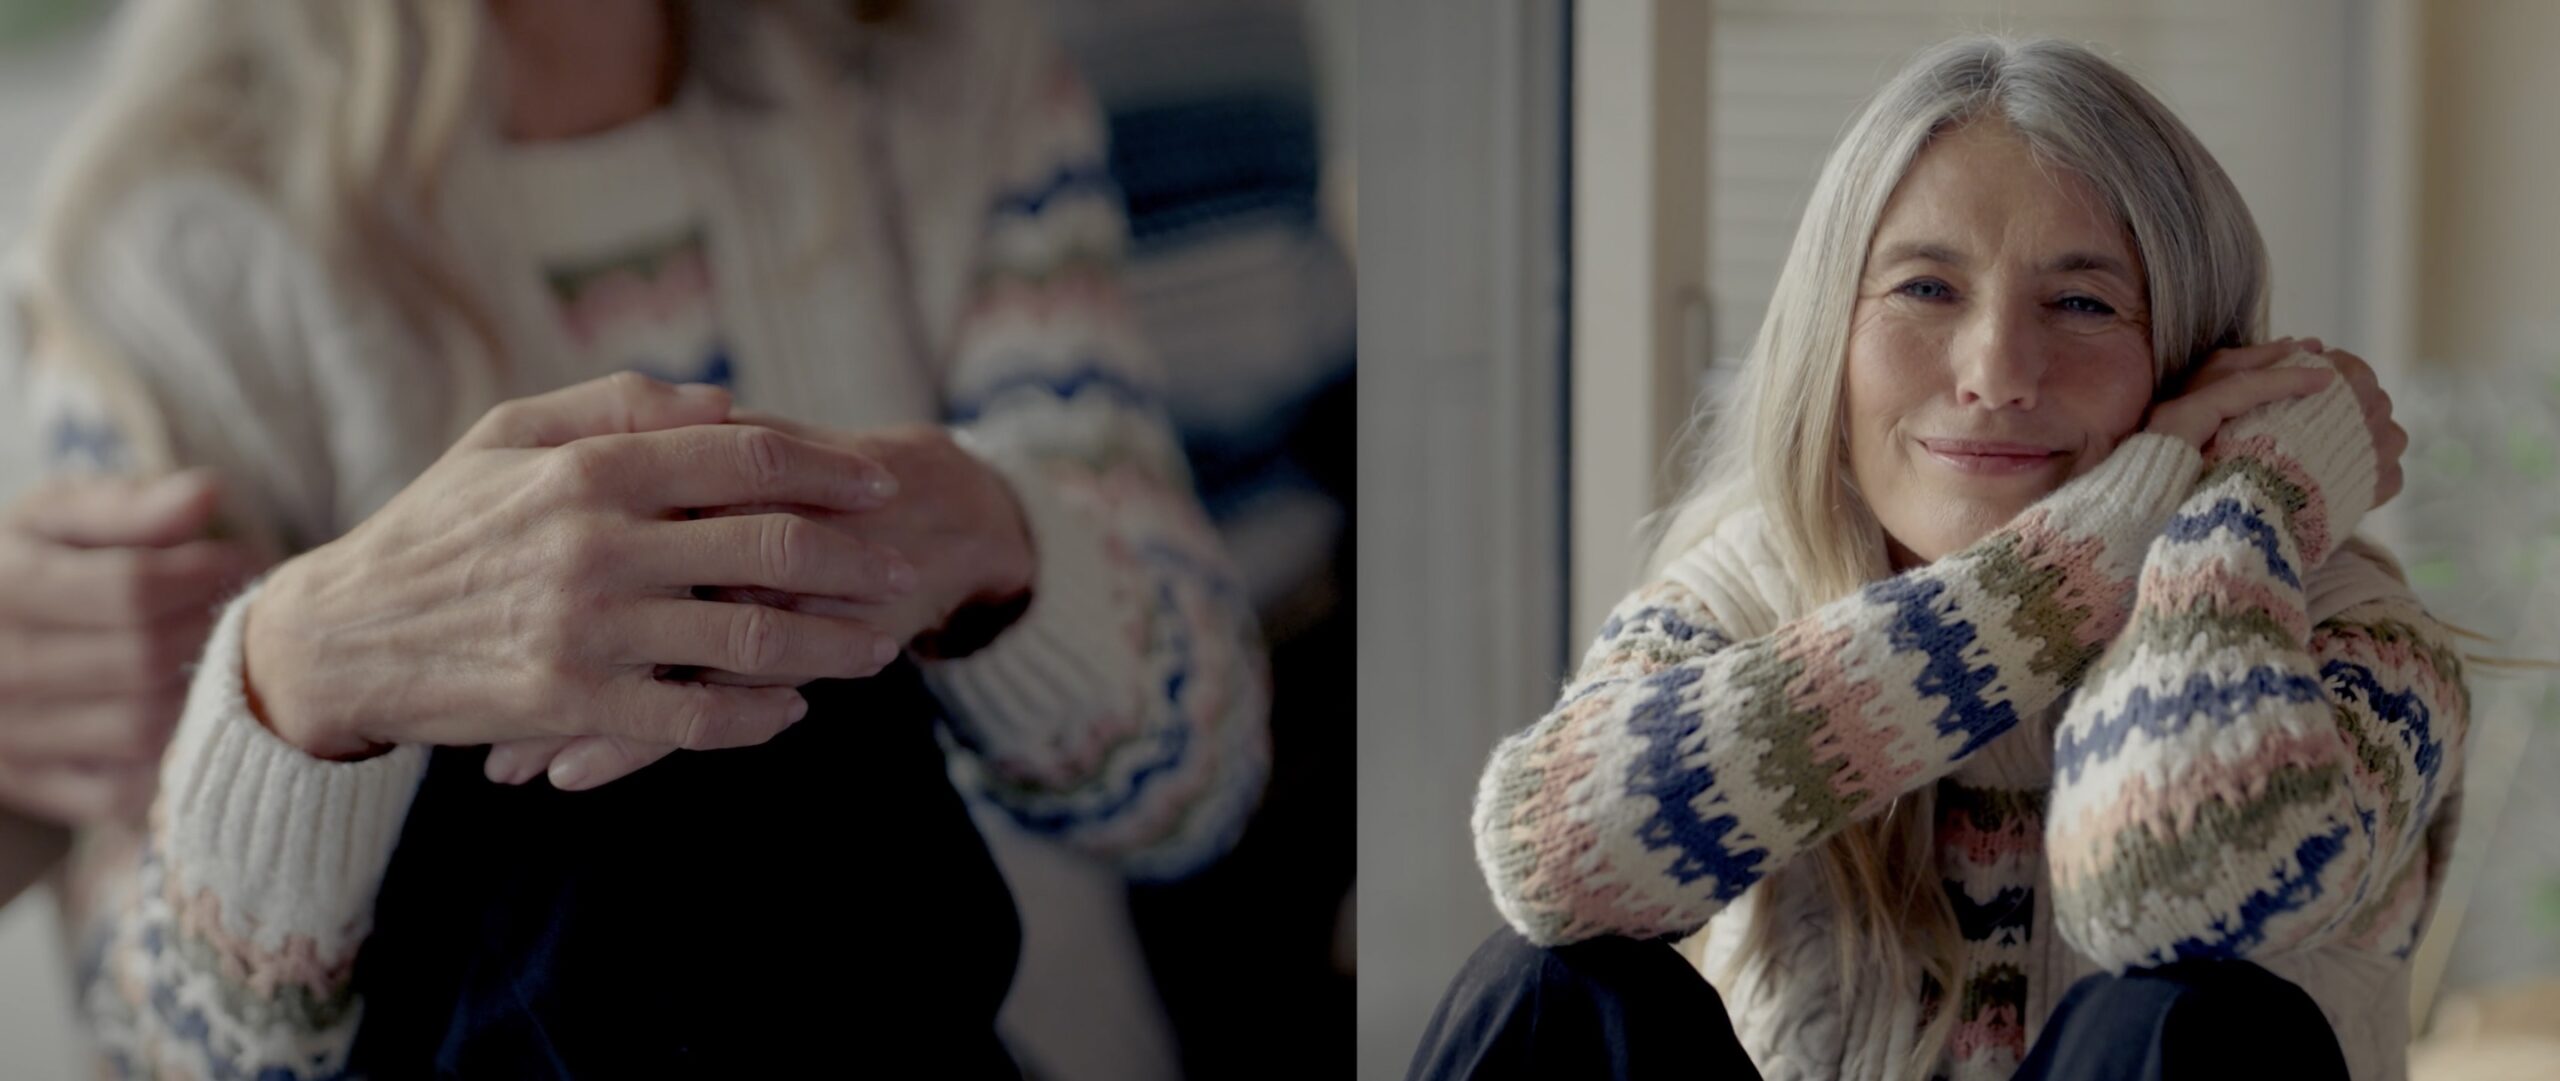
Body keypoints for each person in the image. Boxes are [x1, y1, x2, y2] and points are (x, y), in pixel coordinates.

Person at [0, 0, 1268, 1075]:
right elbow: (147, 1040)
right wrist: (297, 676)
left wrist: (993, 543)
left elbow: (1199, 785)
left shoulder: (955, 81)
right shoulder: (158, 242)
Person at [1411, 36, 2459, 1081]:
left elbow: (2179, 880)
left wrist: (2236, 515)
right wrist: (2073, 564)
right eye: (1924, 288)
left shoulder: (2348, 644)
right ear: (1833, 327)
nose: (1996, 369)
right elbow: (1547, 857)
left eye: (2083, 302)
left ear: (2195, 352)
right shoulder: (1741, 592)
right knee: (1549, 988)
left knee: (2183, 1014)